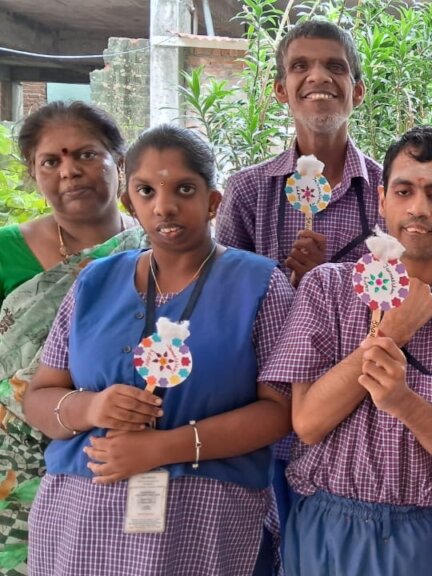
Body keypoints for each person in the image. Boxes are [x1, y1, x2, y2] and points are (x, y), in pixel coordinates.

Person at [23, 125, 294, 575]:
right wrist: (91, 407)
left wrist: (163, 447)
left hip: (207, 518)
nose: (164, 206)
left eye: (184, 189)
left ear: (213, 201)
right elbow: (39, 397)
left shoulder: (260, 284)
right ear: (130, 202)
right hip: (83, 518)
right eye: (146, 191)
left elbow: (280, 412)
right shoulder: (94, 282)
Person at [260, 126, 432, 575]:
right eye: (404, 190)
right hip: (322, 525)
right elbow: (308, 423)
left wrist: (404, 402)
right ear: (382, 198)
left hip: (413, 536)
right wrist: (391, 332)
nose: (418, 208)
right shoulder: (328, 288)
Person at [215, 18, 384, 530]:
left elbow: (401, 302)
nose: (319, 77)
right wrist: (288, 285)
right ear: (280, 90)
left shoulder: (390, 192)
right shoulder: (247, 192)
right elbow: (225, 313)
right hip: (266, 424)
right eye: (300, 67)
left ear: (356, 90)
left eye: (335, 67)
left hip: (354, 423)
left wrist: (328, 284)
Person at [0, 101, 144, 575]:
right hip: (12, 466)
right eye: (51, 161)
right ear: (33, 174)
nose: (70, 171)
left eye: (85, 155)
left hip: (117, 457)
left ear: (117, 163)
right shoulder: (7, 252)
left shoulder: (156, 247)